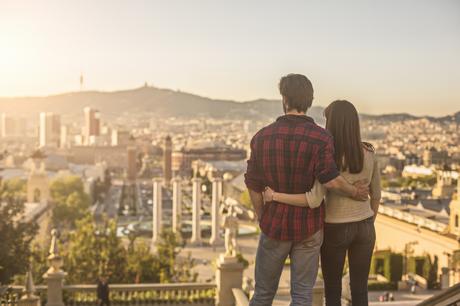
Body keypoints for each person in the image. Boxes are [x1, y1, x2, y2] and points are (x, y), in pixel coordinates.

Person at [245, 74, 370, 306]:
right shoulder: (321, 138)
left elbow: (252, 183)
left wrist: (262, 215)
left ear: (284, 99)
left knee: (262, 294)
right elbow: (331, 180)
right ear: (310, 100)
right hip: (309, 228)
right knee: (302, 296)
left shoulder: (262, 137)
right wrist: (354, 191)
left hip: (274, 225)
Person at [263, 100, 381, 306]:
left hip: (335, 227)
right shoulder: (369, 153)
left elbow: (314, 198)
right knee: (360, 290)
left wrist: (275, 196)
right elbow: (377, 194)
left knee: (333, 290)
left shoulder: (329, 156)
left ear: (332, 123)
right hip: (365, 226)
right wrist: (368, 220)